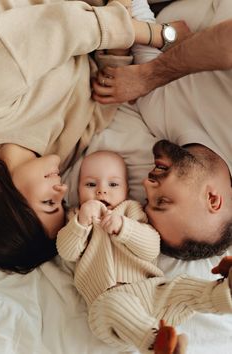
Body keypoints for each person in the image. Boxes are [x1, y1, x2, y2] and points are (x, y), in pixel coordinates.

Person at [0, 0, 170, 273]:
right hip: (109, 19)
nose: (63, 189)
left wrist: (157, 35)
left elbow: (59, 26)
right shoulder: (60, 154)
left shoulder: (1, 109)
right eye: (61, 203)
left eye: (48, 202)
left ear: (3, 196)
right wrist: (119, 44)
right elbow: (106, 94)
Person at [90, 0, 232, 260]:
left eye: (147, 200)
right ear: (213, 199)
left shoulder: (156, 115)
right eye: (163, 201)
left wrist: (164, 37)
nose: (146, 184)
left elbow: (137, 15)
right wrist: (150, 75)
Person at [56, 150, 232, 354]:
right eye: (90, 184)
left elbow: (150, 248)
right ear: (78, 190)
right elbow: (67, 252)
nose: (101, 191)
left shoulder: (131, 211)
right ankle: (157, 344)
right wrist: (81, 223)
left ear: (126, 189)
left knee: (182, 287)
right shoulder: (77, 218)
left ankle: (223, 294)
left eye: (113, 184)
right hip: (108, 307)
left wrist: (124, 228)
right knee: (115, 304)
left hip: (151, 291)